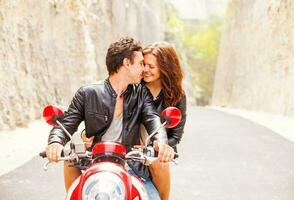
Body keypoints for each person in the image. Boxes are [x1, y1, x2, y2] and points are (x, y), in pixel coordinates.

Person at [44, 37, 175, 199]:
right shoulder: (87, 93)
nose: (143, 69)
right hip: (94, 167)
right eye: (140, 63)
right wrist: (55, 142)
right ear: (127, 63)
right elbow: (65, 124)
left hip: (131, 167)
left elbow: (153, 120)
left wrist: (162, 143)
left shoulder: (141, 93)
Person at [141, 42, 187, 200]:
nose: (145, 70)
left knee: (158, 165)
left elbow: (176, 134)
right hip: (132, 148)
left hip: (158, 153)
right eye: (143, 64)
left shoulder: (177, 95)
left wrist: (161, 147)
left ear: (165, 68)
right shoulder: (134, 89)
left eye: (151, 66)